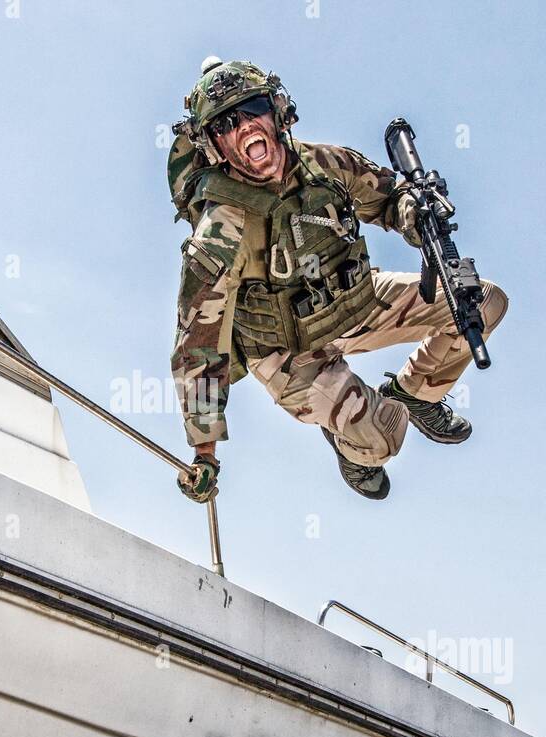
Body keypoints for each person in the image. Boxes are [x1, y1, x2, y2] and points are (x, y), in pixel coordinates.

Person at [169, 58, 508, 501]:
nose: (244, 126)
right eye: (226, 123)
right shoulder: (221, 229)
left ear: (276, 111)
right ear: (214, 144)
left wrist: (415, 211)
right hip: (286, 350)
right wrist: (205, 453)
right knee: (383, 436)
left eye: (252, 108)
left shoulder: (325, 164)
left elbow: (388, 197)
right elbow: (197, 345)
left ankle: (417, 393)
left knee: (482, 303)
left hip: (351, 303)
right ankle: (355, 449)